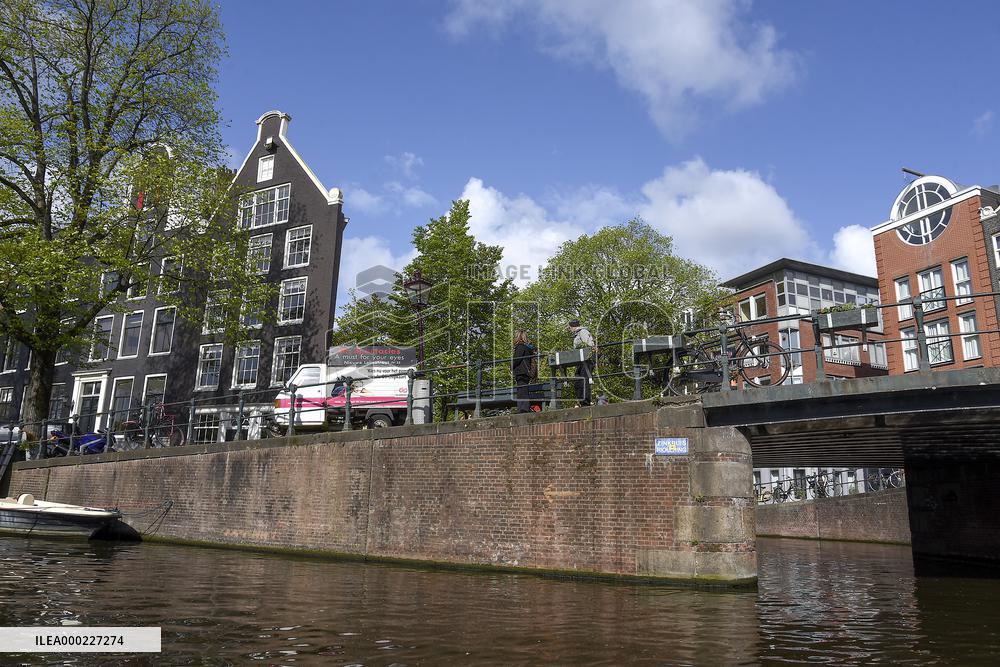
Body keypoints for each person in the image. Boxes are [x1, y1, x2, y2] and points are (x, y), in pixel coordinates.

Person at [568, 319, 596, 406]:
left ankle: (585, 402)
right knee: (578, 381)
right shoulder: (577, 334)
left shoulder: (583, 332)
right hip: (579, 360)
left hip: (586, 360)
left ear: (572, 326)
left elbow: (589, 345)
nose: (569, 329)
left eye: (569, 327)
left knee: (584, 380)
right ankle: (582, 401)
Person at [511, 330, 537, 413]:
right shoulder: (528, 348)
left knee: (521, 390)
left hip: (521, 371)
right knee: (523, 389)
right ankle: (524, 408)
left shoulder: (520, 347)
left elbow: (516, 359)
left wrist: (511, 366)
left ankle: (523, 409)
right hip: (527, 371)